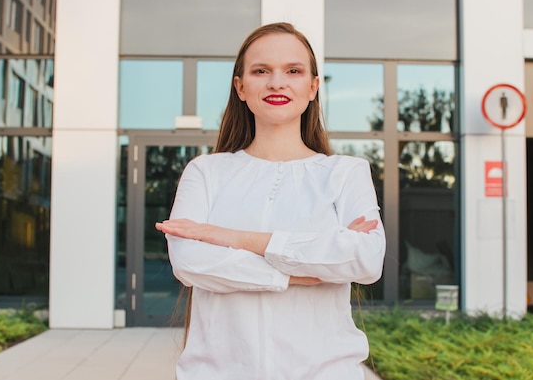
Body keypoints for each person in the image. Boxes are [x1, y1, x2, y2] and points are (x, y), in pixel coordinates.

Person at [155, 22, 386, 380]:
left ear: (312, 87)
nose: (277, 82)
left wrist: (231, 237)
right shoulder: (206, 172)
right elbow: (190, 261)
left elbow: (366, 259)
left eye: (293, 71)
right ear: (241, 87)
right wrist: (296, 272)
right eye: (261, 70)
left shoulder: (345, 172)